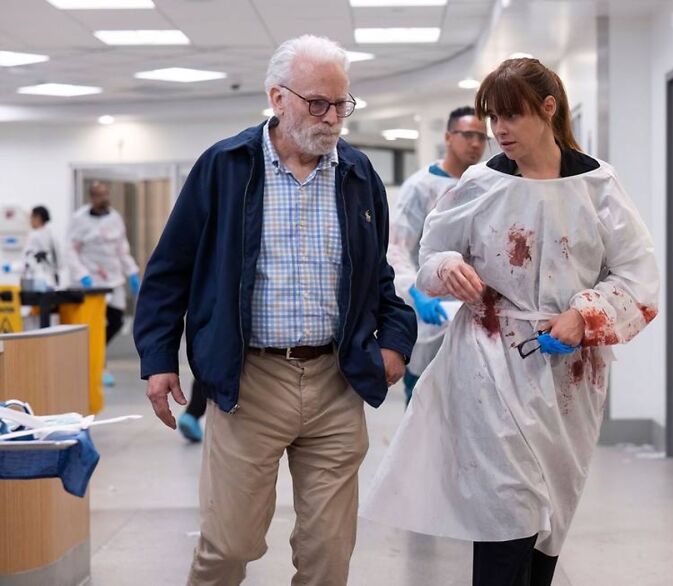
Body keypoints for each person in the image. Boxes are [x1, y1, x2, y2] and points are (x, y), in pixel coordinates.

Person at [360, 57, 659, 586]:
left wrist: (584, 315)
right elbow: (430, 255)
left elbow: (638, 276)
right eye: (492, 117)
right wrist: (448, 268)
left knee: (551, 515)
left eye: (510, 116)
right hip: (488, 363)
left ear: (548, 109)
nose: (498, 130)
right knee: (507, 510)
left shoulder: (598, 185)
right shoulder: (481, 183)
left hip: (569, 378)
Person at [133, 35, 416, 586]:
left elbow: (377, 277)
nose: (333, 117)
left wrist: (394, 342)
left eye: (342, 103)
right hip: (250, 381)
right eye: (318, 103)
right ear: (277, 98)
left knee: (328, 554)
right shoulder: (225, 166)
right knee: (229, 545)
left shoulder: (358, 176)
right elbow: (170, 271)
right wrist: (158, 357)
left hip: (337, 379)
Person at [387, 106, 488, 404]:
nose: (475, 143)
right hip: (431, 318)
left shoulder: (487, 184)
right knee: (425, 407)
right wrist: (418, 293)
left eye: (482, 137)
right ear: (448, 136)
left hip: (476, 317)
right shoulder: (421, 187)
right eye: (468, 135)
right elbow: (396, 249)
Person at [67, 182, 140, 387]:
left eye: (106, 194)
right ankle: (97, 366)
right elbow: (71, 250)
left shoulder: (115, 218)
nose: (104, 198)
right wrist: (82, 275)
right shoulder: (79, 219)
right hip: (91, 282)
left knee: (115, 321)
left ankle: (95, 357)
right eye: (99, 195)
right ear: (92, 197)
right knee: (95, 325)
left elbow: (122, 249)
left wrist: (132, 272)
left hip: (113, 279)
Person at [3, 206, 65, 287]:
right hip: (51, 281)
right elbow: (60, 263)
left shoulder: (34, 236)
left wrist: (11, 267)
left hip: (36, 282)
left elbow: (27, 262)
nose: (30, 220)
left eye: (31, 217)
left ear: (38, 218)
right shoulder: (52, 236)